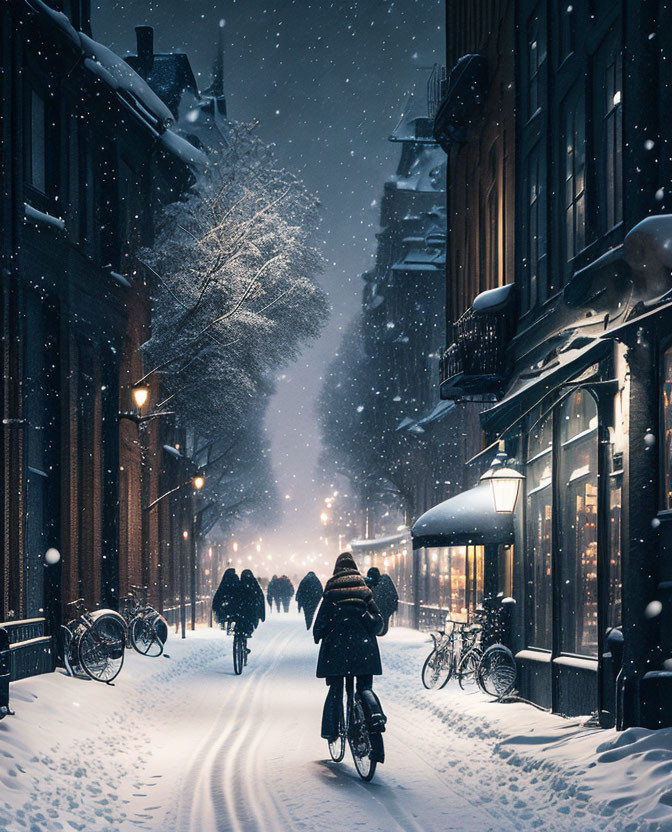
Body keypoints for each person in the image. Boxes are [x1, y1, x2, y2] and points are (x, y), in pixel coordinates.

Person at [313, 552, 387, 749]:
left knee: (336, 689)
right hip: (364, 649)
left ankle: (331, 730)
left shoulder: (331, 590)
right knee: (364, 687)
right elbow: (378, 623)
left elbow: (320, 624)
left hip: (337, 650)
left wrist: (320, 634)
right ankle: (374, 716)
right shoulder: (364, 590)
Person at [366, 567, 399, 636]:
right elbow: (394, 598)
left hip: (375, 617)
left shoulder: (372, 587)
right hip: (382, 615)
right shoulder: (385, 585)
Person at [239, 569, 266, 634]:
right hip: (252, 610)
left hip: (241, 611)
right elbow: (261, 599)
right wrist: (262, 614)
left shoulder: (239, 585)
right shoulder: (255, 585)